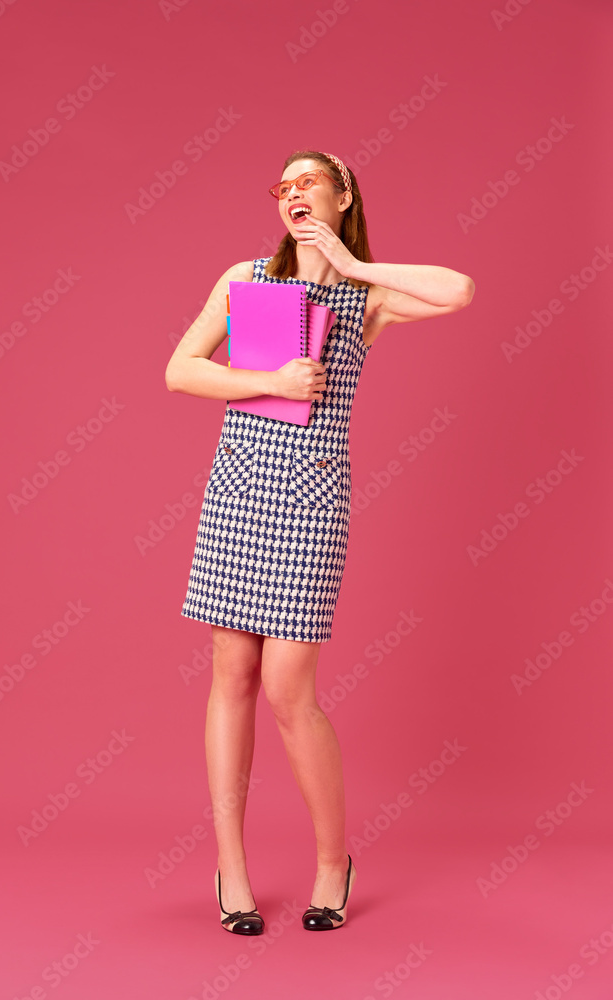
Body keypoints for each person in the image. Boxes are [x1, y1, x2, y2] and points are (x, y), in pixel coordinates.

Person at [165, 150, 475, 933]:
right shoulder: (243, 276)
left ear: (343, 195)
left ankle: (332, 861)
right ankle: (230, 869)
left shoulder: (367, 296)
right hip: (237, 487)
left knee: (288, 691)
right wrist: (265, 382)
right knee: (230, 674)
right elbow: (180, 370)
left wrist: (348, 261)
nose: (292, 193)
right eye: (283, 185)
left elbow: (459, 290)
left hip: (309, 495)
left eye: (309, 182)